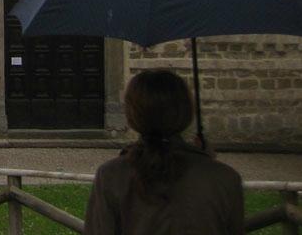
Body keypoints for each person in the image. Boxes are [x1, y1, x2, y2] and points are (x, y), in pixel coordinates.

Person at [84, 70, 244, 234]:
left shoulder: (111, 176)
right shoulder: (225, 178)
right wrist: (205, 162)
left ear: (132, 114)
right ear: (187, 110)